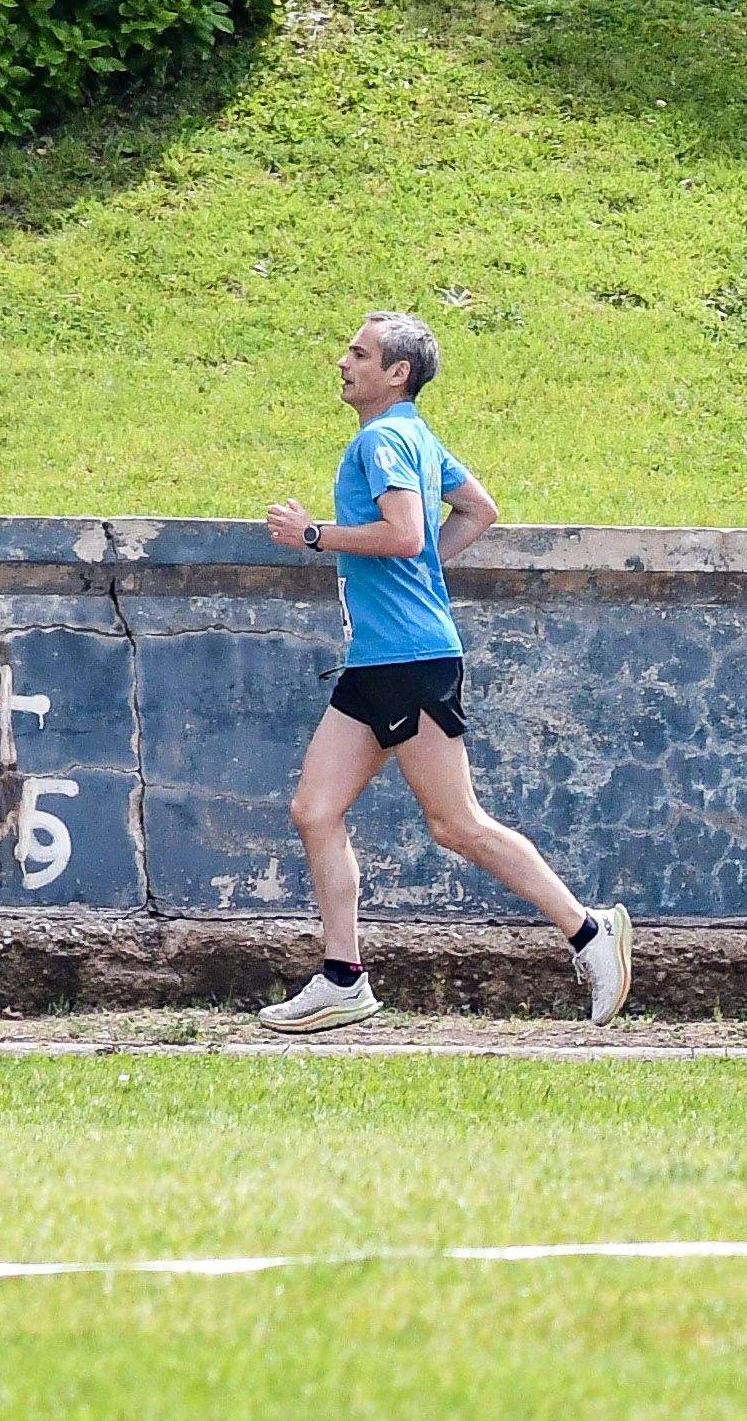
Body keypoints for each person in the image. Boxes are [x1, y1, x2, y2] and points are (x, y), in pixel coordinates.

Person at [256, 312, 631, 1034]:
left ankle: (588, 932)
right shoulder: (415, 437)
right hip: (379, 657)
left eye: (359, 354)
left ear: (396, 373)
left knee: (455, 823)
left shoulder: (384, 438)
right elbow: (478, 510)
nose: (343, 361)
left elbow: (402, 534)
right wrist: (423, 575)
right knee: (314, 809)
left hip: (409, 657)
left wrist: (313, 535)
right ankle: (342, 977)